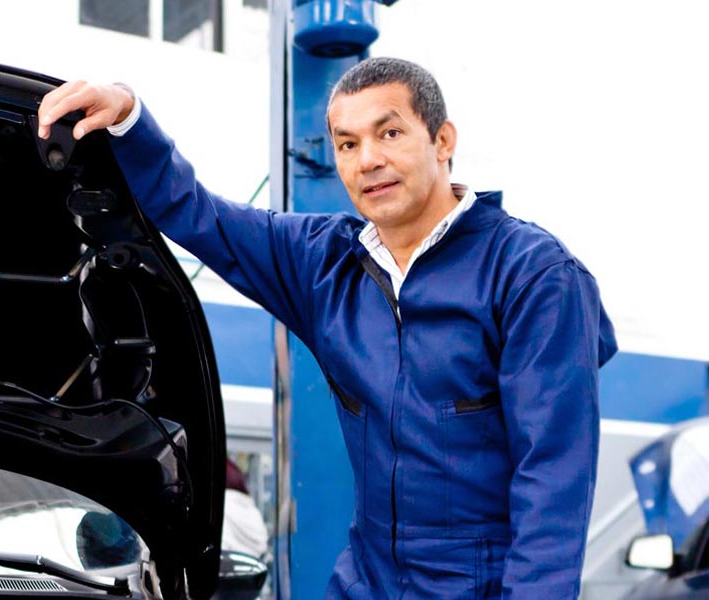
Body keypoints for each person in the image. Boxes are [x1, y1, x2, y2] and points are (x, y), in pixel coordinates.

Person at [36, 58, 615, 598]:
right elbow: (197, 212)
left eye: (390, 133)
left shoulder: (534, 276)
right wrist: (128, 116)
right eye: (347, 143)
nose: (368, 160)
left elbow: (553, 483)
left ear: (443, 141)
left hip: (481, 585)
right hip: (367, 580)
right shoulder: (322, 263)